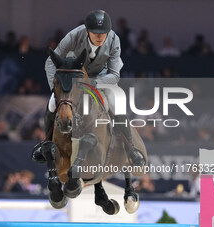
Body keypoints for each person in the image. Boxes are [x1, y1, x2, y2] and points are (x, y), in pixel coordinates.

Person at [31, 9, 145, 166]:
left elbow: (114, 75)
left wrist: (93, 84)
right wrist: (54, 88)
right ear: (87, 31)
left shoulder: (113, 40)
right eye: (95, 33)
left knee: (116, 103)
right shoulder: (74, 36)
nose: (100, 37)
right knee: (52, 102)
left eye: (103, 33)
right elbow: (50, 62)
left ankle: (131, 148)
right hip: (74, 80)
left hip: (102, 79)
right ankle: (46, 144)